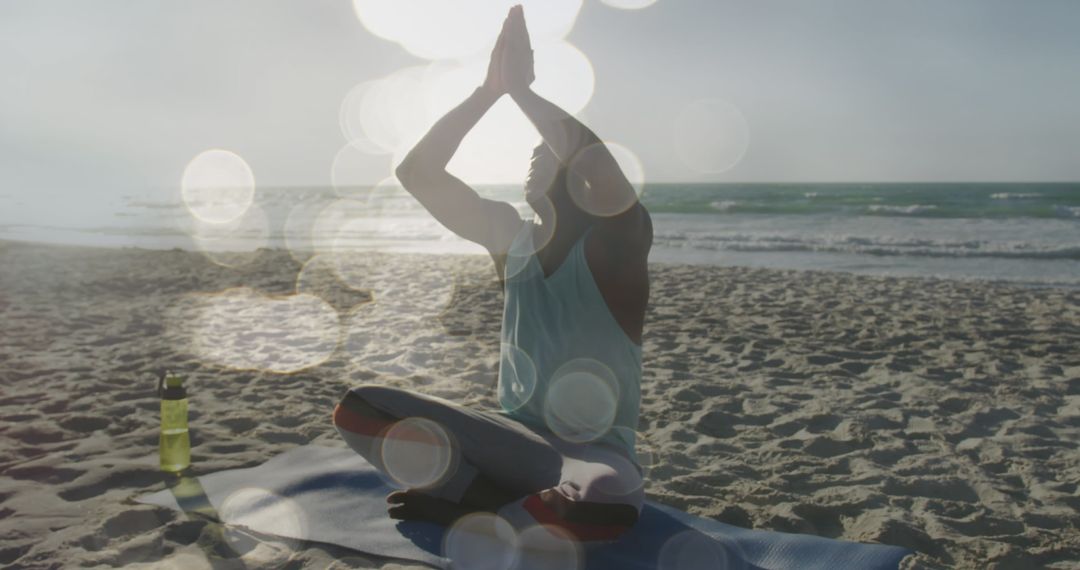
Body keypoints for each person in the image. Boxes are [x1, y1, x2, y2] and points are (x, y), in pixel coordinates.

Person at [332, 5, 652, 542]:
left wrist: (524, 91)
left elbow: (599, 163)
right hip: (510, 440)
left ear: (577, 178)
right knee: (359, 409)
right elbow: (418, 173)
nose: (534, 154)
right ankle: (499, 508)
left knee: (604, 500)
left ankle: (475, 504)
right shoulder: (510, 239)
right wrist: (490, 90)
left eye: (548, 151)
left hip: (592, 457)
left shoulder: (615, 248)